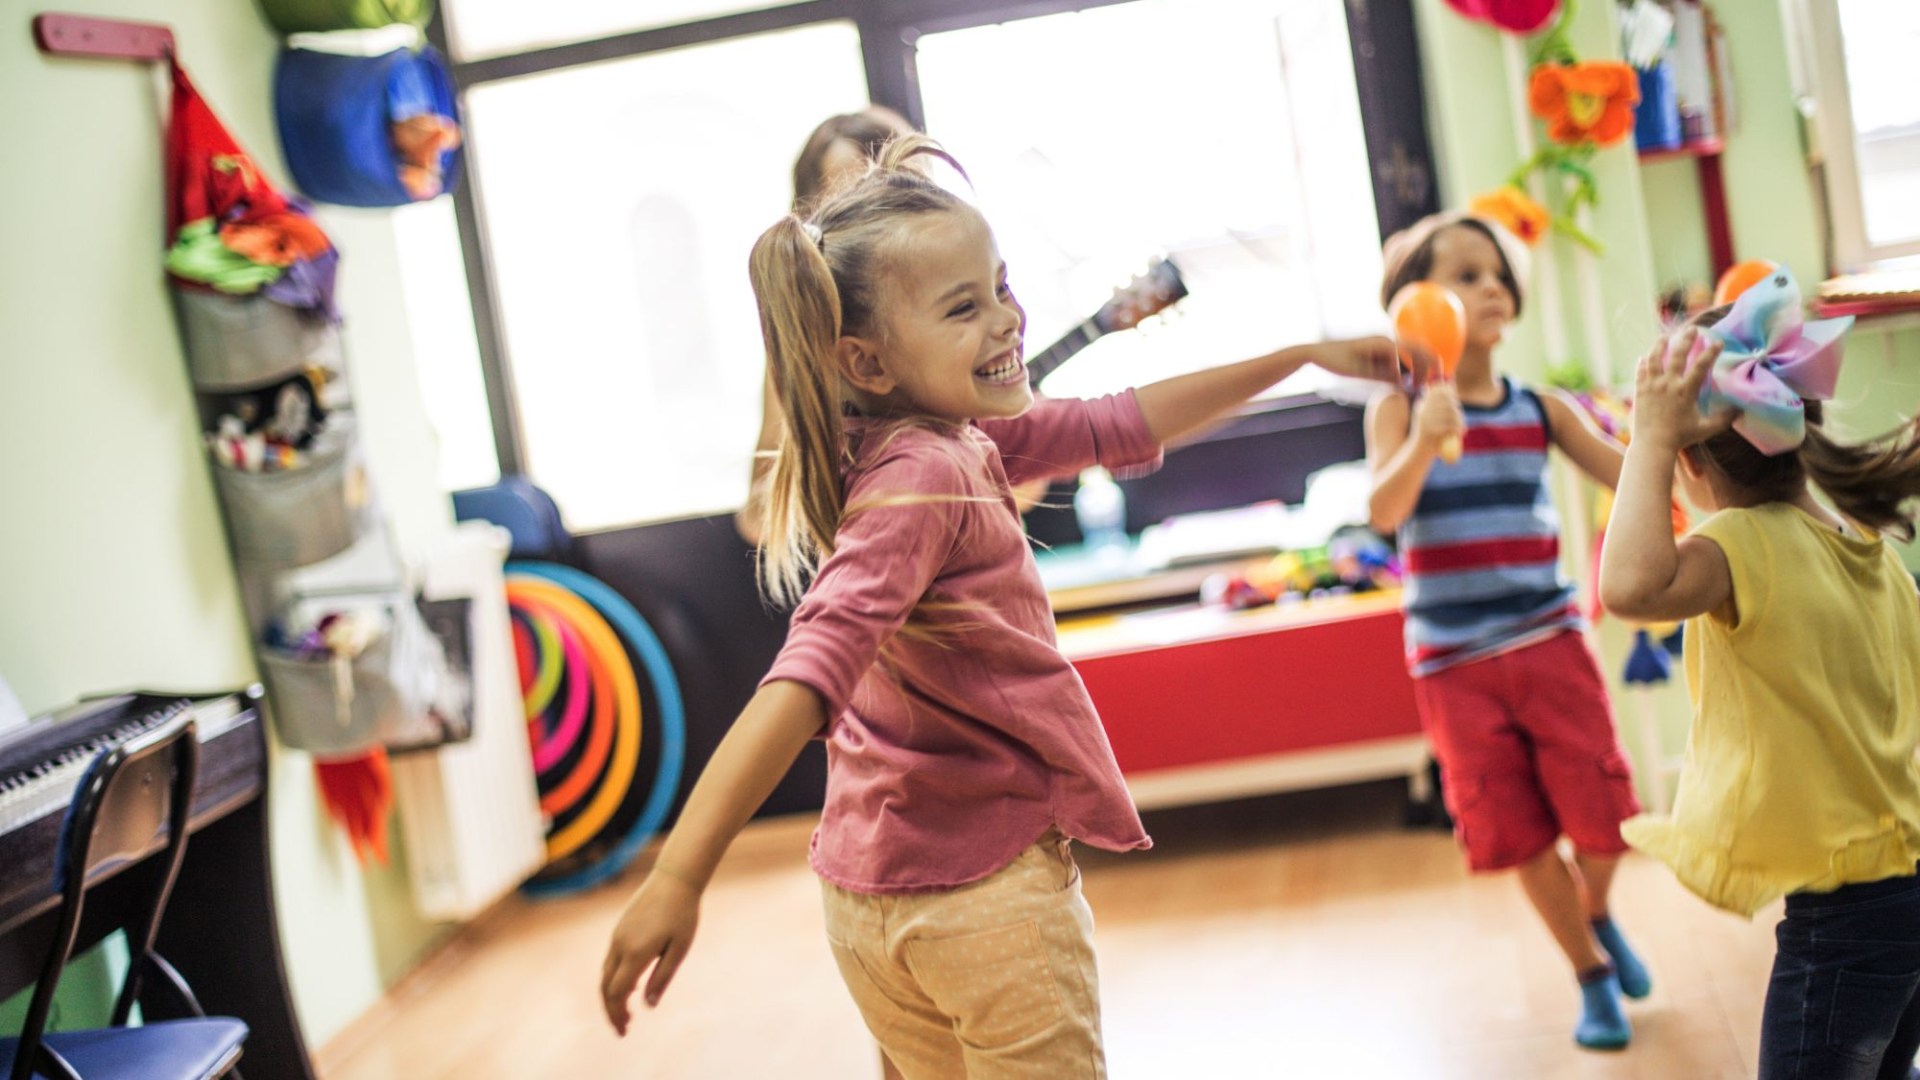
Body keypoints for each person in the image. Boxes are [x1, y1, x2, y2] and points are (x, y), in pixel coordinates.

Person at [602, 135, 1410, 1076]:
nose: (1006, 321)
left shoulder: (909, 444)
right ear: (864, 359)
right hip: (981, 895)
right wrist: (678, 874)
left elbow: (1119, 420)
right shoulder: (934, 474)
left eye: (1001, 287)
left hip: (868, 894)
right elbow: (805, 676)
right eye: (962, 307)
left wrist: (1301, 355)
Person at [1600, 269, 1920, 1080]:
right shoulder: (1864, 543)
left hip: (1848, 913)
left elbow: (1630, 585)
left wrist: (1649, 437)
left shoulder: (1743, 546)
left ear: (1694, 467)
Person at [1363, 211, 1647, 1051]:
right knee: (1517, 833)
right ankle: (1590, 976)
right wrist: (1422, 440)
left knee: (1606, 821)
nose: (1488, 287)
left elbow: (1634, 474)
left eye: (1496, 273)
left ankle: (1593, 914)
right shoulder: (1396, 411)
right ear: (1412, 304)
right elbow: (1384, 514)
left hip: (1550, 641)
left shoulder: (1540, 409)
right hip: (1453, 666)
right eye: (1463, 274)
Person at [738, 107, 916, 546]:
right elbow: (760, 518)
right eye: (845, 194)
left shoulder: (963, 300)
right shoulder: (803, 338)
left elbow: (1025, 483)